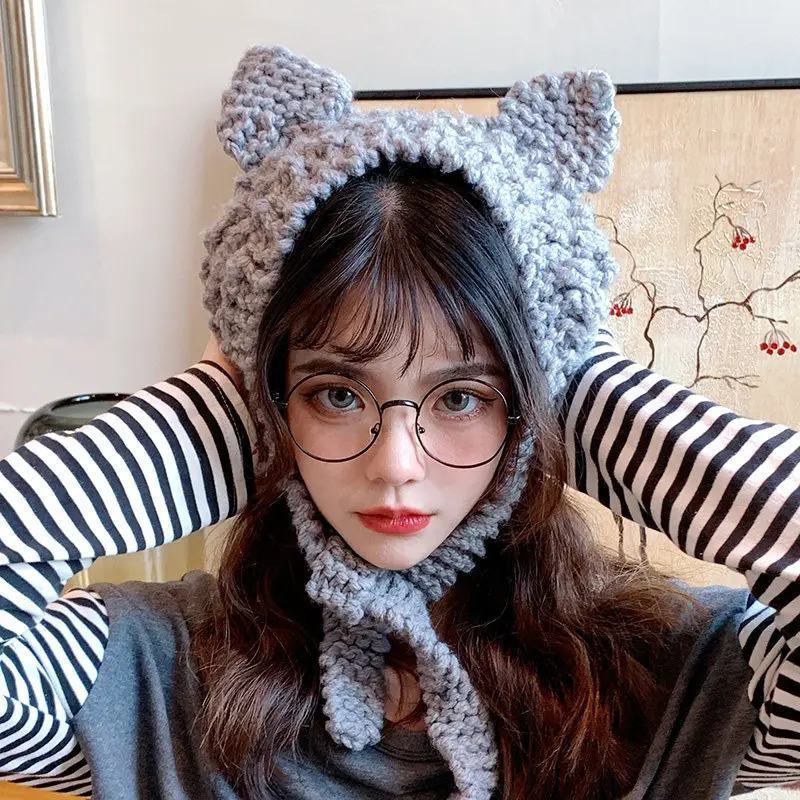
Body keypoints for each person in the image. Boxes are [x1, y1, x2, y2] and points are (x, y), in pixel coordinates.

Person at [1, 45, 798, 800]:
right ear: (267, 403)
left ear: (533, 408)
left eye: (461, 397)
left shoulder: (675, 678)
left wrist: (593, 390)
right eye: (336, 394)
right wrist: (204, 412)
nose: (396, 464)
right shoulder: (148, 676)